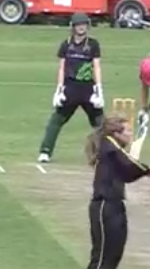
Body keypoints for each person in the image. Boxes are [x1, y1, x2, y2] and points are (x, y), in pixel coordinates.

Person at [80, 114, 150, 269]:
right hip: (105, 207)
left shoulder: (112, 148)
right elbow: (129, 165)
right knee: (103, 259)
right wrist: (148, 170)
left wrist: (143, 171)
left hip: (113, 206)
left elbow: (126, 173)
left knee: (111, 257)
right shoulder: (110, 147)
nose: (130, 134)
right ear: (116, 133)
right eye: (127, 131)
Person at [38, 12, 106, 163]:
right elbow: (62, 68)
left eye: (84, 25)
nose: (81, 27)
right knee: (56, 120)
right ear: (73, 27)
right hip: (70, 88)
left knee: (100, 123)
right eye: (78, 25)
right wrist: (59, 89)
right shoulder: (66, 44)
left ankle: (107, 155)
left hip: (88, 88)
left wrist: (99, 90)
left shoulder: (93, 44)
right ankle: (45, 151)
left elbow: (96, 67)